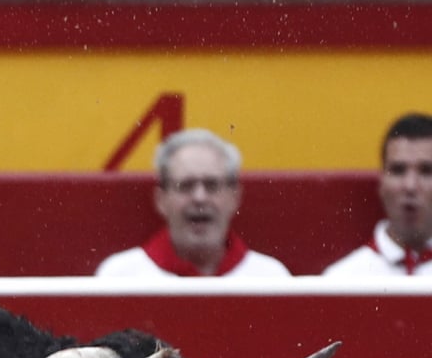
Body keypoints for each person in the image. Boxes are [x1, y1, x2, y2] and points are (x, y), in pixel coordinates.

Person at [94, 128, 291, 279]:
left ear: (235, 197)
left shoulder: (270, 277)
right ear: (161, 199)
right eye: (185, 186)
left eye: (212, 185)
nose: (199, 197)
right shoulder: (120, 276)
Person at [323, 113, 432, 278]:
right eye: (398, 170)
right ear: (381, 183)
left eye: (426, 171)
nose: (410, 186)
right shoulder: (341, 280)